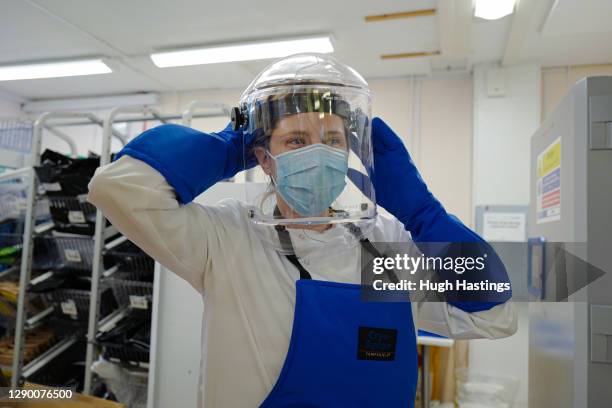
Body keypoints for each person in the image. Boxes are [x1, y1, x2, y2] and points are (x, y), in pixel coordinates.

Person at [88, 53, 516, 407]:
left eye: (332, 139)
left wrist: (425, 214)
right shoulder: (229, 236)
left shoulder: (382, 241)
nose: (318, 152)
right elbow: (116, 189)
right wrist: (222, 150)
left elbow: (494, 316)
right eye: (295, 140)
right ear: (263, 159)